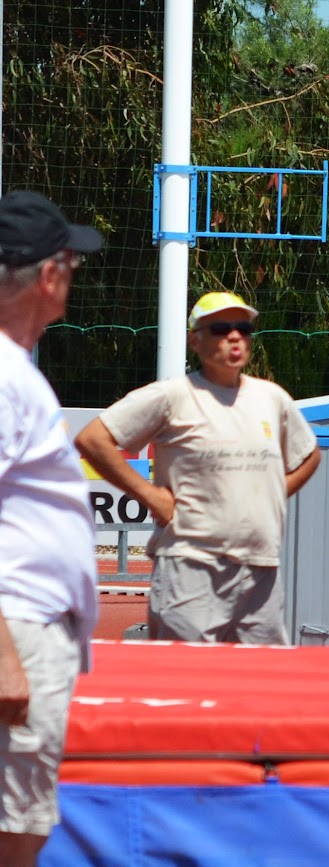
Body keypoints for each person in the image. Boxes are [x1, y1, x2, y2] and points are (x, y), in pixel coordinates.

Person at [75, 292, 322, 644]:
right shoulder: (172, 395)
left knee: (261, 684)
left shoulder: (272, 397)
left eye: (243, 328)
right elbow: (92, 439)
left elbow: (309, 454)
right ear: (195, 339)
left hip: (261, 569)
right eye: (221, 328)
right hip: (190, 565)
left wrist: (276, 492)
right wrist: (148, 495)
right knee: (188, 680)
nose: (235, 336)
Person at [0, 190, 103, 866]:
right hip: (20, 625)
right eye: (70, 260)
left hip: (30, 623)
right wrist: (4, 651)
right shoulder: (5, 375)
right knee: (17, 824)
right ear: (48, 274)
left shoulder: (17, 369)